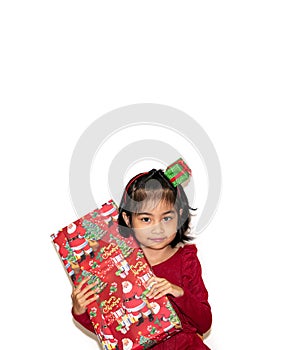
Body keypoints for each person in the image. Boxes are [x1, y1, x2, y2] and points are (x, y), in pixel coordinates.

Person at [71, 169, 212, 349]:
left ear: (180, 215)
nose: (158, 228)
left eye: (167, 217)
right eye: (146, 219)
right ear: (128, 219)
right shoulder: (116, 264)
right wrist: (80, 310)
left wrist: (179, 293)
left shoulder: (185, 260)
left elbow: (205, 323)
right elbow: (114, 331)